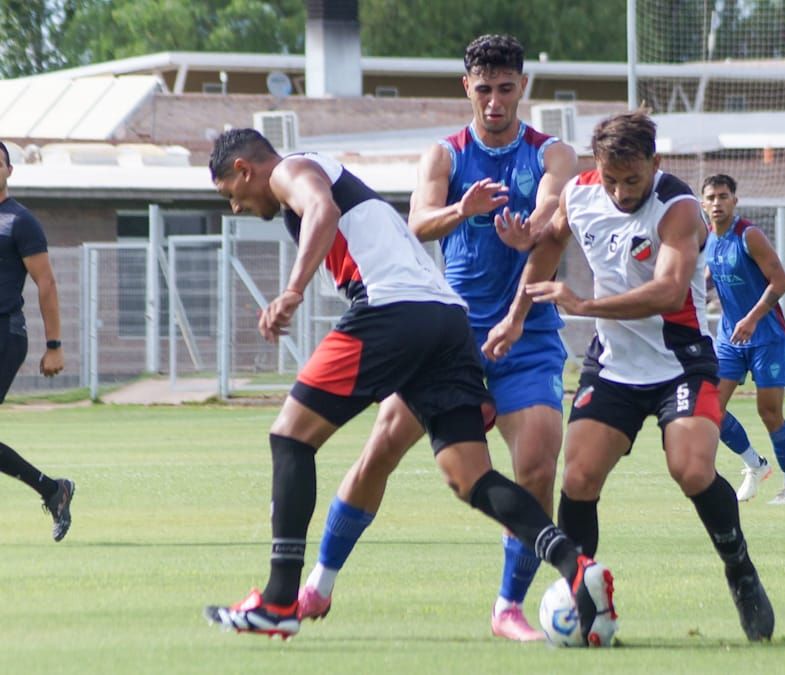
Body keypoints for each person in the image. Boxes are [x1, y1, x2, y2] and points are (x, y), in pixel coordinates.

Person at [201, 129, 614, 641]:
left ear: (244, 169)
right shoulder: (326, 169)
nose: (236, 207)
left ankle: (281, 598)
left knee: (290, 437)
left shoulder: (289, 170)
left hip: (390, 311)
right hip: (446, 322)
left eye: (230, 195)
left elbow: (322, 212)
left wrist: (291, 291)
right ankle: (576, 565)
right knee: (472, 477)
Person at [296, 34, 578, 642]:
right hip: (447, 335)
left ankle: (508, 608)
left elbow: (555, 213)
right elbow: (417, 223)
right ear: (466, 88)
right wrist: (465, 209)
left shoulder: (554, 154)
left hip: (526, 332)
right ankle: (317, 584)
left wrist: (530, 231)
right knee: (382, 449)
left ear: (523, 87)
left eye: (506, 89)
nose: (495, 101)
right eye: (484, 90)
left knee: (535, 463)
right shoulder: (445, 156)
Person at [484, 112, 775, 642]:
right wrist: (515, 315)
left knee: (690, 469)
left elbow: (668, 291)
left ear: (655, 165)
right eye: (611, 179)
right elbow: (549, 242)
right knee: (577, 478)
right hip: (614, 367)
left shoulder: (680, 207)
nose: (620, 191)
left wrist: (585, 303)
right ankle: (585, 593)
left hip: (680, 362)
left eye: (632, 180)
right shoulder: (580, 193)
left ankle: (740, 569)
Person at [700, 174, 785, 505]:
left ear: (735, 200)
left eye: (723, 196)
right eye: (711, 197)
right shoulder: (708, 241)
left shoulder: (750, 236)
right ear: (702, 203)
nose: (717, 203)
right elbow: (707, 279)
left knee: (769, 412)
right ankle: (755, 464)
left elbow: (780, 281)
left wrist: (752, 318)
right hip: (730, 338)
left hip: (766, 336)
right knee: (710, 408)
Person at [0, 140, 74, 542]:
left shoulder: (19, 221)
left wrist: (54, 344)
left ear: (9, 170)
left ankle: (53, 489)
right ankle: (52, 488)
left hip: (4, 332)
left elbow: (46, 282)